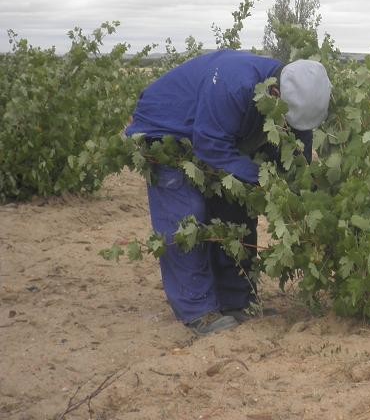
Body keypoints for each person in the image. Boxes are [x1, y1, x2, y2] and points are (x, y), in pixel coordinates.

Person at [126, 51, 331, 336]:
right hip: (165, 130)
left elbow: (298, 153)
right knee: (187, 217)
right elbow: (211, 145)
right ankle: (198, 311)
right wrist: (266, 183)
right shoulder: (234, 85)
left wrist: (301, 197)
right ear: (274, 93)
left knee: (236, 208)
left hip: (213, 133)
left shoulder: (292, 99)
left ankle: (236, 301)